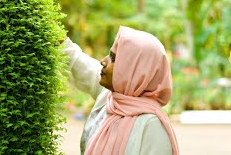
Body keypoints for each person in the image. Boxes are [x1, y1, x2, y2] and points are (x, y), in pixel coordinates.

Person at [63, 26, 179, 155]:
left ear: (134, 70)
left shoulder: (151, 126)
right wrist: (60, 42)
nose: (103, 61)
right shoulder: (110, 99)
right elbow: (80, 65)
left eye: (113, 58)